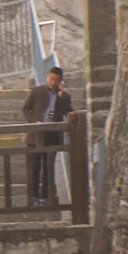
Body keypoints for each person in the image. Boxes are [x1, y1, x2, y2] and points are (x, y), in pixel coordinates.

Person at [21, 66, 73, 206]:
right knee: (35, 166)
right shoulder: (37, 91)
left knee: (49, 167)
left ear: (61, 81)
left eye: (57, 80)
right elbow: (25, 108)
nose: (53, 82)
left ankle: (46, 197)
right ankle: (33, 197)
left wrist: (61, 96)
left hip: (52, 135)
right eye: (51, 79)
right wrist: (34, 122)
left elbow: (68, 112)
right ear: (47, 77)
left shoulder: (64, 96)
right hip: (36, 134)